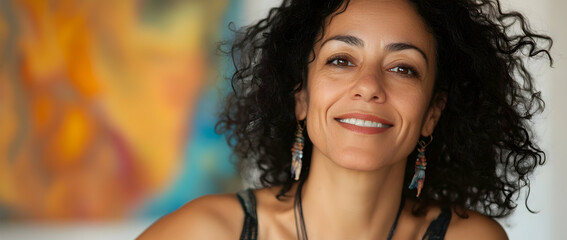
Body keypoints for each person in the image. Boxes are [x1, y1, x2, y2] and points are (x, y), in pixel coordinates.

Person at [139, 0, 552, 239]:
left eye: (403, 68)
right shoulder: (204, 233)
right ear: (301, 97)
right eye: (341, 59)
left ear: (432, 113)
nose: (369, 85)